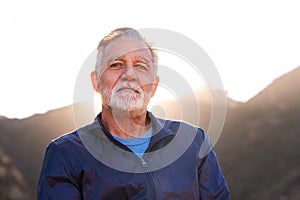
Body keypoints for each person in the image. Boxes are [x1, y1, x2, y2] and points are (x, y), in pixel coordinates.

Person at [38, 27, 230, 199]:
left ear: (153, 86)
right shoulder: (65, 154)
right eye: (116, 64)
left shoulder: (194, 142)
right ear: (96, 82)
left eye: (141, 66)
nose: (129, 74)